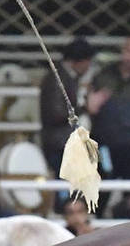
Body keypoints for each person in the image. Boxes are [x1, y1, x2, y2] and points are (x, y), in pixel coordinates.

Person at [39, 38, 96, 173]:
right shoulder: (58, 79)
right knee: (64, 186)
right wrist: (86, 107)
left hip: (61, 141)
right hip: (59, 143)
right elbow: (57, 113)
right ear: (80, 61)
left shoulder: (63, 77)